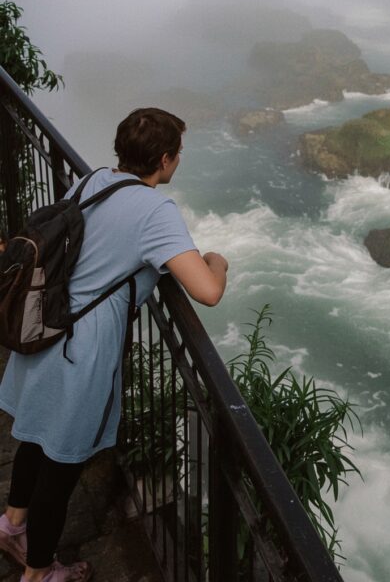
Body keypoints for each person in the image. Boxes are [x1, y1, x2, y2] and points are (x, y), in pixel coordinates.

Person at [0, 108, 228, 582]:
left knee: (33, 435)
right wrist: (216, 260)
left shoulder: (94, 180)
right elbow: (207, 291)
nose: (177, 161)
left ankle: (12, 525)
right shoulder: (156, 211)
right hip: (80, 350)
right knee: (60, 469)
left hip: (50, 322)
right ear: (165, 160)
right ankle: (38, 573)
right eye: (177, 154)